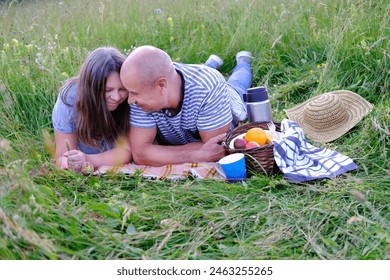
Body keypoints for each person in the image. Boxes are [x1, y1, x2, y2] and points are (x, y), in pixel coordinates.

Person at [120, 45, 252, 166]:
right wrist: (196, 155)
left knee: (238, 84)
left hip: (229, 97)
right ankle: (211, 63)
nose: (130, 101)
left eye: (134, 93)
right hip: (185, 84)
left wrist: (159, 152)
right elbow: (141, 154)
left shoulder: (209, 87)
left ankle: (243, 62)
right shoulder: (140, 91)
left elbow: (214, 148)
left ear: (161, 85)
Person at [52, 47, 132, 172]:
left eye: (122, 89)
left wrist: (88, 159)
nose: (116, 97)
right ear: (91, 89)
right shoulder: (69, 99)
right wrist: (73, 163)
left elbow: (128, 151)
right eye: (107, 90)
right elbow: (62, 156)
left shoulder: (132, 97)